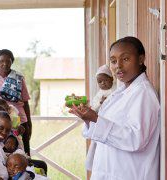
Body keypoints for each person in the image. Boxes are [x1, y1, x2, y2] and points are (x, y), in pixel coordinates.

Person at [69, 36, 160, 180]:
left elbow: (136, 139)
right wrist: (88, 119)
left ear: (141, 59)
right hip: (110, 170)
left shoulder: (144, 94)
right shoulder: (120, 91)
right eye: (113, 61)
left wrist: (95, 118)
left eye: (125, 59)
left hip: (130, 173)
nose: (118, 65)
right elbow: (104, 128)